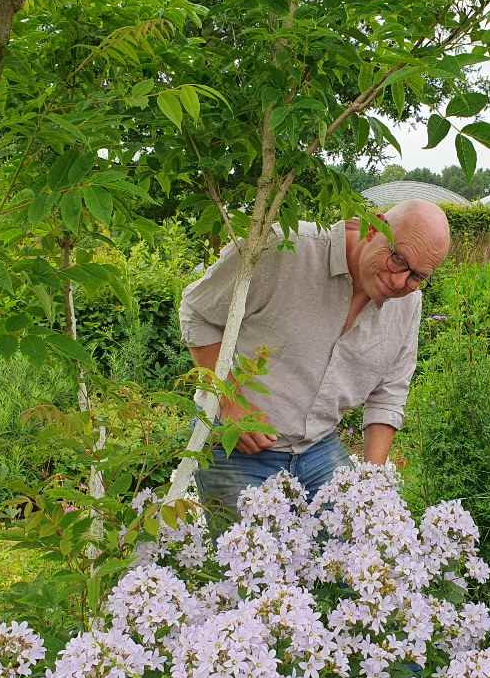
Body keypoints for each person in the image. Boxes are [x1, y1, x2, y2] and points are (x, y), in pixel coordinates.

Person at [178, 198, 451, 514]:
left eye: (417, 277)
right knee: (249, 545)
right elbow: (197, 312)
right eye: (398, 260)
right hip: (234, 446)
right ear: (373, 228)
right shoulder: (283, 249)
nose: (400, 282)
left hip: (318, 447)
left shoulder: (408, 304)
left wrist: (370, 486)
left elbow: (388, 395)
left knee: (354, 538)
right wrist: (230, 402)